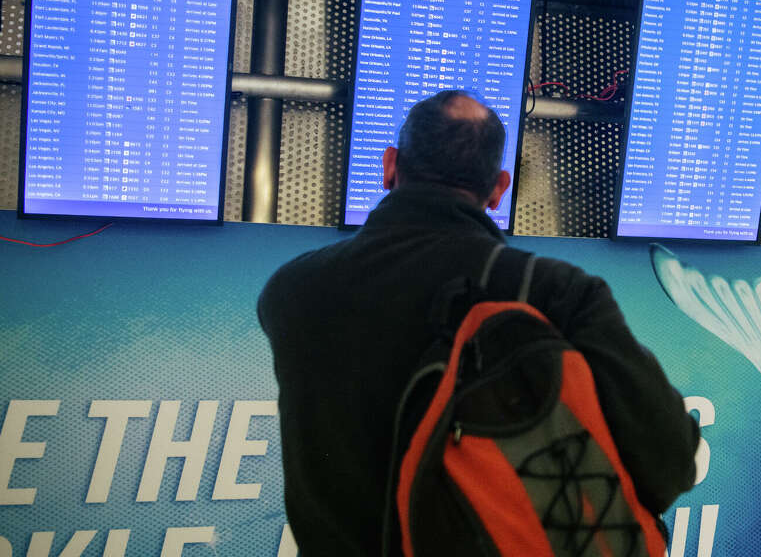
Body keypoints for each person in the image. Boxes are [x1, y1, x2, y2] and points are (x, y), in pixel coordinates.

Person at [258, 89, 700, 556]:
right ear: (498, 189)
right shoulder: (556, 292)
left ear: (389, 166)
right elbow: (670, 464)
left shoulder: (290, 292)